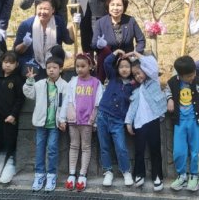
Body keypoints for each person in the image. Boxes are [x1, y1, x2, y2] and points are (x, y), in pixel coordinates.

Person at [166, 55, 199, 192]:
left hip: (195, 121)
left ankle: (194, 176)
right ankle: (182, 175)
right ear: (180, 75)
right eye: (188, 76)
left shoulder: (198, 81)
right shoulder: (172, 82)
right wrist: (169, 99)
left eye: (193, 73)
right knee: (179, 151)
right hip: (179, 122)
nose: (192, 77)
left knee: (195, 151)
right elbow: (167, 91)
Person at [24, 56, 68, 193]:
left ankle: (51, 175)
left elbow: (65, 104)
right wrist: (30, 80)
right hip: (41, 123)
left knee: (53, 149)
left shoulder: (64, 85)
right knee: (40, 149)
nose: (51, 70)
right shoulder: (40, 84)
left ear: (60, 69)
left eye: (55, 68)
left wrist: (62, 119)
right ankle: (39, 174)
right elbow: (29, 94)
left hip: (54, 124)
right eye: (49, 68)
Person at [60, 53, 103, 192]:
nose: (79, 69)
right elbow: (68, 100)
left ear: (90, 66)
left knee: (85, 147)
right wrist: (64, 118)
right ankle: (72, 174)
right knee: (73, 145)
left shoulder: (96, 83)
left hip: (87, 121)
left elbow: (98, 103)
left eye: (83, 66)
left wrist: (94, 120)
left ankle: (83, 175)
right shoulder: (73, 81)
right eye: (77, 66)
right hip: (73, 120)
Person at [125, 54, 166, 191]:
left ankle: (157, 176)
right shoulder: (136, 90)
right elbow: (132, 108)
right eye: (134, 75)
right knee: (139, 150)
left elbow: (152, 65)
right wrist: (128, 122)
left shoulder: (153, 81)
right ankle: (139, 173)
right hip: (139, 123)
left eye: (139, 72)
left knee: (155, 149)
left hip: (153, 120)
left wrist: (136, 54)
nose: (137, 76)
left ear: (145, 70)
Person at [97, 50, 136, 187]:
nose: (124, 69)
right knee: (104, 147)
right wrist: (116, 52)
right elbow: (106, 62)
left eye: (127, 66)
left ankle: (126, 171)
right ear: (117, 68)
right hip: (103, 116)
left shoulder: (133, 85)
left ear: (131, 68)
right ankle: (108, 172)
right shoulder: (113, 77)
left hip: (119, 120)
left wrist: (134, 57)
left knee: (121, 147)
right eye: (121, 66)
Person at [0, 51, 25, 184]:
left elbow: (20, 99)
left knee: (10, 140)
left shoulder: (17, 80)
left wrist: (13, 114)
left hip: (10, 117)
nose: (8, 65)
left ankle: (10, 161)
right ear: (2, 63)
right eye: (6, 62)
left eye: (11, 63)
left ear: (17, 64)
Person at [14, 0, 72, 80]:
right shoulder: (26, 25)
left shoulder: (58, 21)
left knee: (58, 49)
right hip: (31, 59)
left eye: (46, 9)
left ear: (53, 10)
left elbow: (69, 41)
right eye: (40, 8)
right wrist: (25, 44)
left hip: (51, 59)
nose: (42, 12)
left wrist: (73, 26)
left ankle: (56, 78)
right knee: (35, 76)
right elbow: (16, 50)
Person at [92, 0, 145, 83]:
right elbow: (93, 44)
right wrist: (99, 45)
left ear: (124, 7)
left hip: (128, 62)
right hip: (108, 64)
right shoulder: (100, 23)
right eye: (112, 5)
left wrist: (134, 54)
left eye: (119, 5)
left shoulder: (130, 21)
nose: (115, 8)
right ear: (108, 6)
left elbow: (141, 40)